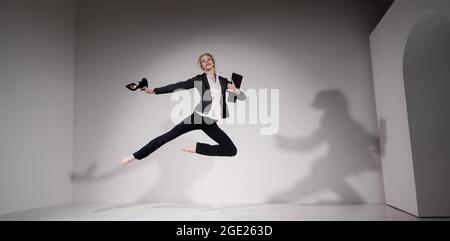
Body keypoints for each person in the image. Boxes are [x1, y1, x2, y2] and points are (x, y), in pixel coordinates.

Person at [120, 53, 246, 165]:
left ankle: (198, 148)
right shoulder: (199, 79)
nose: (206, 61)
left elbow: (241, 98)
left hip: (211, 123)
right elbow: (178, 86)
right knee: (167, 137)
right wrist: (152, 91)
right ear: (202, 66)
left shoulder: (224, 81)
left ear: (213, 62)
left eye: (208, 59)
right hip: (197, 117)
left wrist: (235, 90)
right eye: (203, 61)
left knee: (231, 150)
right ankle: (134, 156)